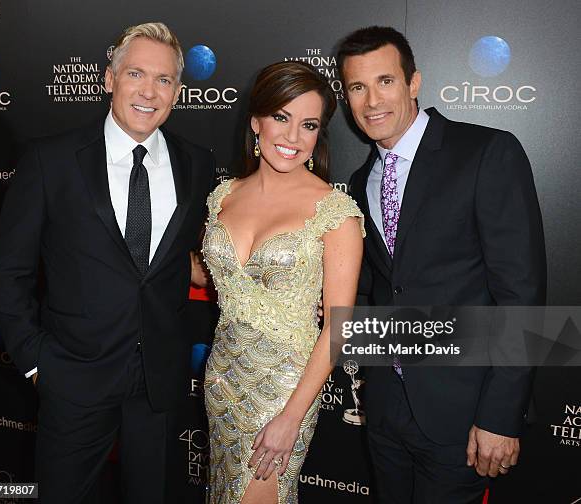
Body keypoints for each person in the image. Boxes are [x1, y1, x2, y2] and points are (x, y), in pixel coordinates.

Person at [0, 22, 214, 503]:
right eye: (136, 74)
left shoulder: (196, 162)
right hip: (72, 376)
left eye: (165, 80)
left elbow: (187, 258)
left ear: (178, 89)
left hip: (158, 382)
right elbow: (8, 272)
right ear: (109, 79)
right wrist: (35, 362)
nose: (149, 92)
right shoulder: (51, 160)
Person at [337, 26, 546, 503]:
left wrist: (500, 414)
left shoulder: (487, 152)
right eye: (357, 87)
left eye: (385, 81)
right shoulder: (359, 179)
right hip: (387, 411)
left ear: (414, 83)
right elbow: (382, 290)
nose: (372, 101)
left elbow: (522, 294)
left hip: (465, 414)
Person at [201, 61, 365, 504]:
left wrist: (291, 417)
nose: (293, 137)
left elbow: (338, 327)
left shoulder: (335, 213)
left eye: (308, 124)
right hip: (222, 378)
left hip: (284, 389)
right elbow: (216, 275)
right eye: (281, 117)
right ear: (256, 121)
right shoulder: (225, 195)